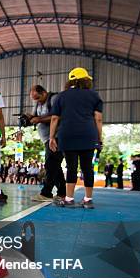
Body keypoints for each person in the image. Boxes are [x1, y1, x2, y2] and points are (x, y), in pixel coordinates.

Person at [49, 67, 103, 208]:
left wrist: (51, 138)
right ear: (86, 80)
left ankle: (69, 199)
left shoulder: (61, 96)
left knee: (71, 167)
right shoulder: (94, 96)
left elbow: (54, 118)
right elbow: (98, 119)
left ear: (70, 80)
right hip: (88, 135)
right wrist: (99, 138)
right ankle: (87, 200)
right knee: (87, 168)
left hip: (67, 135)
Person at [29, 85, 65, 201]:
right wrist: (29, 117)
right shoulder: (38, 103)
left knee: (51, 165)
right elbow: (35, 117)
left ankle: (46, 193)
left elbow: (57, 116)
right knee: (55, 167)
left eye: (38, 98)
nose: (37, 101)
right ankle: (62, 192)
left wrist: (39, 119)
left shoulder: (54, 99)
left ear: (44, 92)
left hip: (56, 137)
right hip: (47, 139)